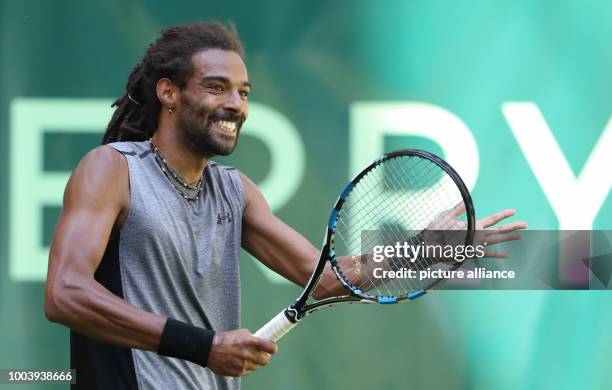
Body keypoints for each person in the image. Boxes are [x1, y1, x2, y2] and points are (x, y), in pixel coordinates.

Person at [44, 21, 526, 390]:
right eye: (217, 87)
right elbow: (65, 293)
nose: (236, 104)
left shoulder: (236, 190)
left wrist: (422, 248)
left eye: (244, 92)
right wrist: (204, 347)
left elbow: (329, 279)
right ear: (169, 92)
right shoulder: (111, 169)